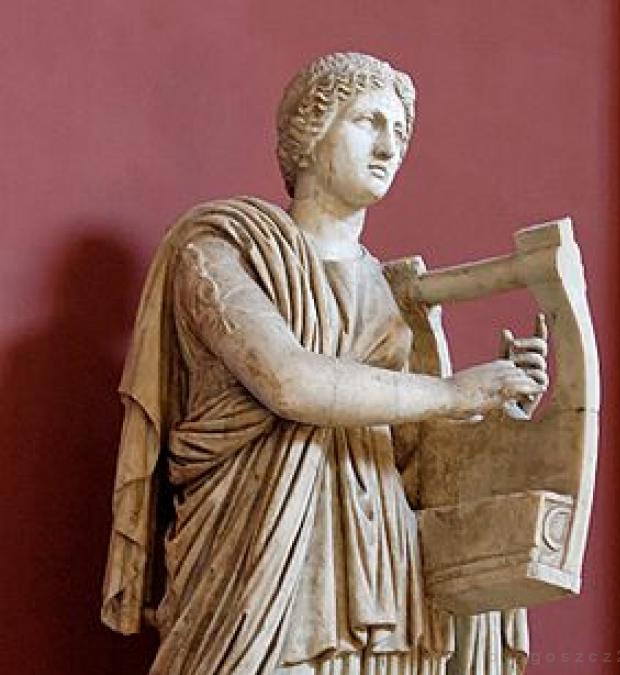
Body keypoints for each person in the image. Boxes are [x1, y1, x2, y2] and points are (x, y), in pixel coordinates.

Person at [102, 52, 547, 675]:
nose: (389, 147)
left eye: (400, 133)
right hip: (256, 558)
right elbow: (289, 381)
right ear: (309, 132)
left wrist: (498, 406)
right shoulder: (220, 248)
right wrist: (455, 393)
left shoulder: (395, 296)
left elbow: (415, 458)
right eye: (368, 121)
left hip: (380, 570)